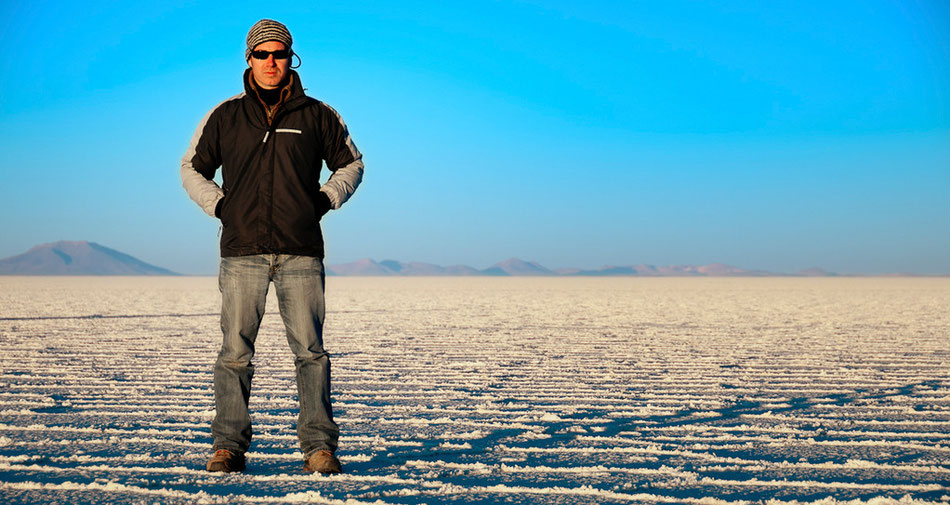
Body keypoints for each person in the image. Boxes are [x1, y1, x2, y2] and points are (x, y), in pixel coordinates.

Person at [180, 19, 363, 474]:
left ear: (291, 58)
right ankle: (228, 446)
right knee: (234, 354)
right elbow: (191, 168)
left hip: (300, 248)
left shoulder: (318, 114)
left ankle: (319, 448)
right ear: (249, 59)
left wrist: (322, 201)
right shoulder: (225, 115)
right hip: (242, 250)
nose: (271, 62)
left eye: (279, 53)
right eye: (262, 54)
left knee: (311, 353)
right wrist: (221, 208)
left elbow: (352, 164)